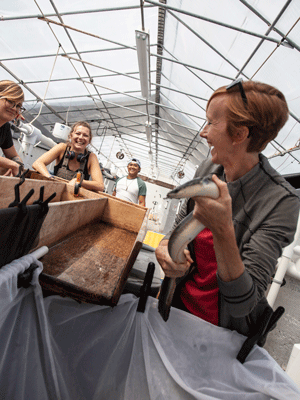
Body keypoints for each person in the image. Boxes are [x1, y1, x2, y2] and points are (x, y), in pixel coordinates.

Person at [155, 80, 300, 339]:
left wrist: (222, 228)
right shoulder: (209, 169)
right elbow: (178, 228)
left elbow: (244, 303)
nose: (203, 132)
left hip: (221, 337)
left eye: (211, 122)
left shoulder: (280, 202)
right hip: (178, 310)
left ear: (239, 134)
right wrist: (167, 249)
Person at [32, 121, 104, 192]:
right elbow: (37, 163)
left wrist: (78, 181)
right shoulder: (62, 148)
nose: (81, 137)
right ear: (70, 136)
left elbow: (100, 185)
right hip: (54, 192)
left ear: (89, 140)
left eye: (85, 135)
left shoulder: (91, 157)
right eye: (77, 133)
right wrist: (49, 177)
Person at [0, 80, 25, 176]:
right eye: (10, 101)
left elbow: (13, 156)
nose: (14, 108)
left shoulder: (4, 127)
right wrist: (13, 165)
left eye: (18, 106)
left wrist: (17, 163)